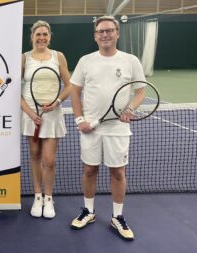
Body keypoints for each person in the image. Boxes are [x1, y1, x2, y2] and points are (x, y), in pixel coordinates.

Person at [69, 16, 145, 241]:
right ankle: (88, 211)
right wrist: (79, 119)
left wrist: (130, 108)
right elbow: (74, 91)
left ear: (117, 33)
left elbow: (140, 91)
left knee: (118, 173)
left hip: (117, 128)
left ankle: (117, 216)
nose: (105, 34)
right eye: (101, 31)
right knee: (89, 170)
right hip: (90, 128)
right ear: (95, 36)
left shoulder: (131, 61)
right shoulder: (85, 61)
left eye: (109, 30)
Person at [21, 20, 71, 218]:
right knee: (34, 154)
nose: (41, 38)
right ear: (32, 36)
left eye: (45, 34)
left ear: (49, 36)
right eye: (38, 34)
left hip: (52, 113)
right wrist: (31, 114)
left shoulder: (58, 57)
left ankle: (48, 198)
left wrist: (57, 101)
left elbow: (69, 85)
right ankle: (37, 196)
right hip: (30, 114)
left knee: (49, 160)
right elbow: (15, 91)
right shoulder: (24, 58)